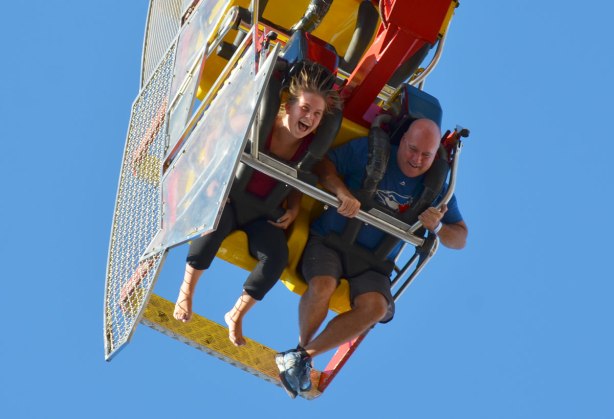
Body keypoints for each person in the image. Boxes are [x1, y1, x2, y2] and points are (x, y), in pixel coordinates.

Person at [275, 118, 469, 397]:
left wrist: (437, 226)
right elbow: (324, 164)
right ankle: (302, 355)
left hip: (372, 263)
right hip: (330, 240)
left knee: (377, 308)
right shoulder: (371, 151)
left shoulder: (437, 187)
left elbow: (460, 239)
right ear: (402, 141)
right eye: (412, 149)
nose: (416, 160)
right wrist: (342, 193)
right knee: (324, 285)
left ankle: (300, 358)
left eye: (426, 155)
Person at [173, 64, 342, 347]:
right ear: (287, 106)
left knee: (277, 256)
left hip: (263, 213)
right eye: (305, 108)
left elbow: (300, 177)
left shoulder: (308, 149)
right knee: (212, 226)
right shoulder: (255, 123)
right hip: (231, 200)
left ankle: (236, 314)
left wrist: (294, 207)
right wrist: (212, 179)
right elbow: (214, 140)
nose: (309, 118)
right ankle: (186, 291)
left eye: (317, 114)